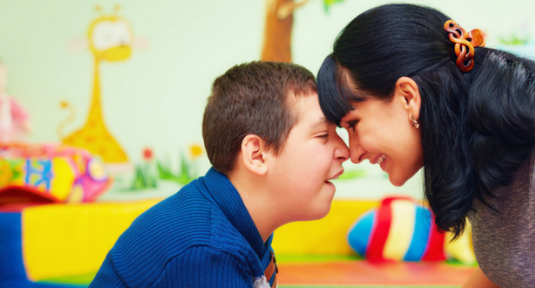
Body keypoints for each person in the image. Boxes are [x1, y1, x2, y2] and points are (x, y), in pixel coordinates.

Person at [317, 4, 535, 288]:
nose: (353, 152)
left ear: (408, 97)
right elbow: (512, 267)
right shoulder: (485, 148)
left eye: (353, 124)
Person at [90, 61, 349, 288]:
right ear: (257, 154)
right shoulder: (208, 251)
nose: (345, 150)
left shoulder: (237, 222)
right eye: (323, 135)